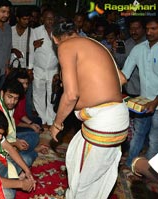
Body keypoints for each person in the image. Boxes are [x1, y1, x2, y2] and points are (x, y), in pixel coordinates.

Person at [50, 22, 129, 199]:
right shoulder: (96, 44)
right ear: (76, 32)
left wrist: (56, 124)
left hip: (103, 121)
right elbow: (122, 79)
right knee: (77, 154)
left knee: (84, 180)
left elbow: (71, 95)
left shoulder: (65, 46)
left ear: (55, 39)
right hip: (118, 117)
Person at [122, 17, 158, 167]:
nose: (149, 32)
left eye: (154, 29)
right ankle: (131, 163)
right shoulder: (138, 49)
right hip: (143, 101)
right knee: (138, 134)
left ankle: (149, 169)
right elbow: (124, 74)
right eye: (148, 29)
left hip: (157, 103)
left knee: (154, 138)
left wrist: (155, 102)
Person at [0, 79, 39, 171]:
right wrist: (14, 143)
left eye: (16, 99)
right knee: (27, 159)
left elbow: (10, 131)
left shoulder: (8, 105)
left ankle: (23, 152)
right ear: (2, 93)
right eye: (10, 97)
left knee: (34, 136)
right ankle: (27, 153)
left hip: (8, 140)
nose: (12, 101)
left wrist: (16, 141)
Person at [29, 9, 58, 127]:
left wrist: (60, 71)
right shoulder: (36, 31)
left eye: (52, 18)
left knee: (52, 95)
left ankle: (51, 119)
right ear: (43, 19)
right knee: (38, 94)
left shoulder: (58, 32)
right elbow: (31, 50)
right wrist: (30, 68)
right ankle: (42, 119)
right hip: (38, 69)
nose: (50, 21)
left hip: (53, 69)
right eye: (48, 18)